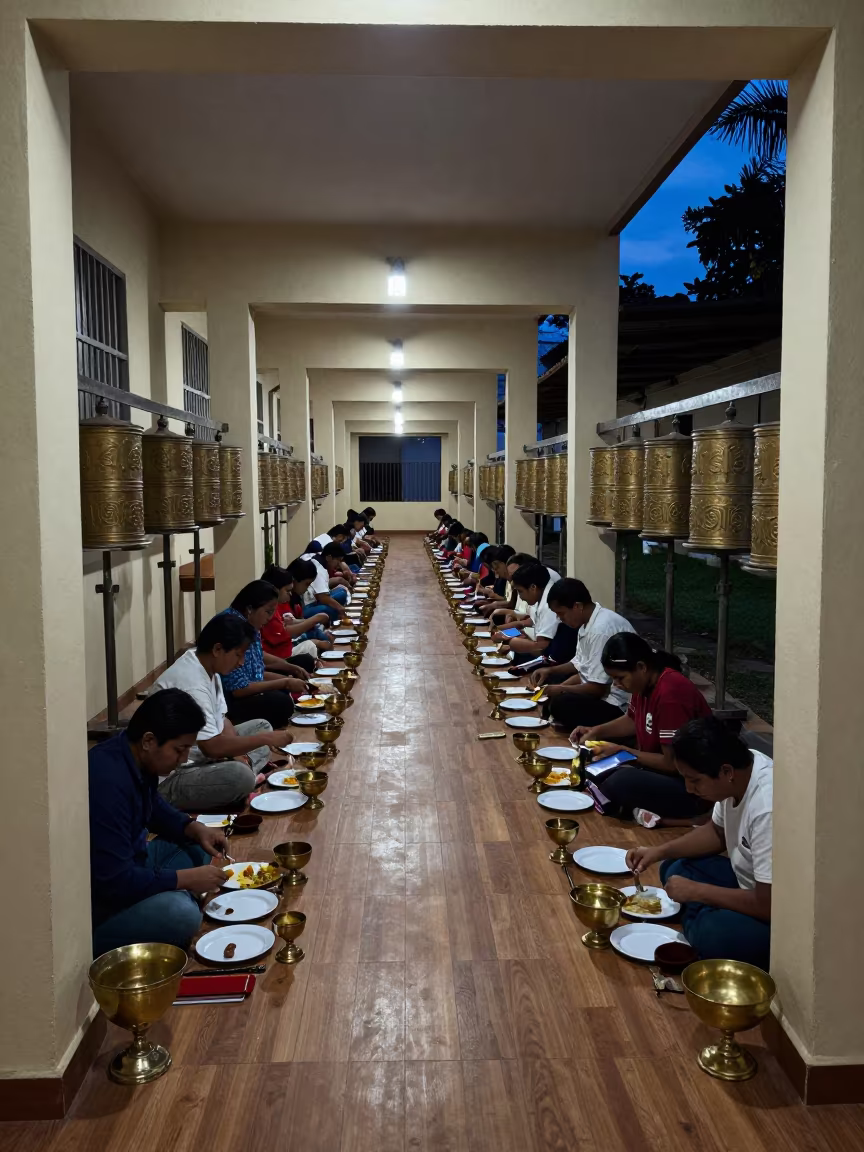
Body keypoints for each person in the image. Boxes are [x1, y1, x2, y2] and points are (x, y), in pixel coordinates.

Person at [89, 689, 231, 956]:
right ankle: (172, 902)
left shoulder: (136, 758)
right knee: (182, 915)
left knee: (197, 844)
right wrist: (185, 879)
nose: (185, 758)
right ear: (149, 741)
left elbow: (152, 806)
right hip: (104, 907)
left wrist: (192, 826)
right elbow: (113, 882)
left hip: (135, 863)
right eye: (180, 749)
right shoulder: (105, 782)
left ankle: (174, 894)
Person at [627, 717, 772, 970]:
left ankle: (701, 922)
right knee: (673, 866)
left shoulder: (767, 807)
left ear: (726, 772)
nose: (689, 789)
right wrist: (658, 851)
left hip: (775, 913)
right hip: (746, 884)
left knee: (714, 934)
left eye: (695, 781)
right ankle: (699, 915)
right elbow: (716, 832)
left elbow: (768, 904)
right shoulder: (741, 769)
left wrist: (698, 892)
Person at [150, 615, 292, 810]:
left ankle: (242, 774)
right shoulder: (193, 684)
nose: (241, 663)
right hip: (171, 777)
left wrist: (238, 754)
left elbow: (222, 720)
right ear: (217, 649)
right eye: (238, 654)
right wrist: (265, 740)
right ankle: (243, 780)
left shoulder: (205, 665)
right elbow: (212, 748)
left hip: (204, 755)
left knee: (261, 725)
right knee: (240, 776)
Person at [572, 632, 713, 825]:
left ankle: (688, 818)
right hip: (657, 769)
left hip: (692, 786)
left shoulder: (670, 694)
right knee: (590, 769)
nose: (616, 685)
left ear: (641, 667)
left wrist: (625, 752)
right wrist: (596, 731)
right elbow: (632, 720)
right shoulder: (643, 684)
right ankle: (633, 807)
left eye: (620, 678)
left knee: (619, 782)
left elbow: (672, 764)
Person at [534, 578, 636, 731]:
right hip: (599, 693)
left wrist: (561, 689)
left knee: (561, 703)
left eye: (561, 613)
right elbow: (581, 667)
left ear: (577, 606)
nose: (559, 619)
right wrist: (550, 672)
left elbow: (598, 688)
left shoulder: (600, 630)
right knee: (551, 682)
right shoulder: (586, 623)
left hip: (617, 705)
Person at [219, 580, 309, 729]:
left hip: (252, 682)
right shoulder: (232, 627)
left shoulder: (250, 622)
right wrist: (285, 682)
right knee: (281, 702)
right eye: (268, 612)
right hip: (232, 699)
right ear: (249, 608)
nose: (269, 618)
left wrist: (291, 670)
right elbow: (238, 689)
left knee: (301, 663)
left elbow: (258, 662)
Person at [260, 564, 323, 671]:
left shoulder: (275, 607)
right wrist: (315, 619)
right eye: (287, 591)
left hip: (285, 650)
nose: (290, 594)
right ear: (275, 589)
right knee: (308, 655)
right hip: (279, 657)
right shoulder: (266, 612)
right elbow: (287, 632)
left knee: (311, 646)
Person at [501, 562, 560, 659]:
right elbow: (532, 623)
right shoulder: (541, 594)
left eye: (520, 591)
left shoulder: (549, 604)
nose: (520, 597)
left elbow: (541, 649)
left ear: (533, 587)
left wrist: (511, 642)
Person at [300, 542, 352, 622]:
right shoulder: (319, 569)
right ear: (328, 557)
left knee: (341, 592)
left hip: (316, 600)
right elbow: (323, 598)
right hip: (308, 606)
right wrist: (340, 608)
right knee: (328, 609)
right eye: (338, 561)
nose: (338, 565)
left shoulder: (319, 559)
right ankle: (335, 625)